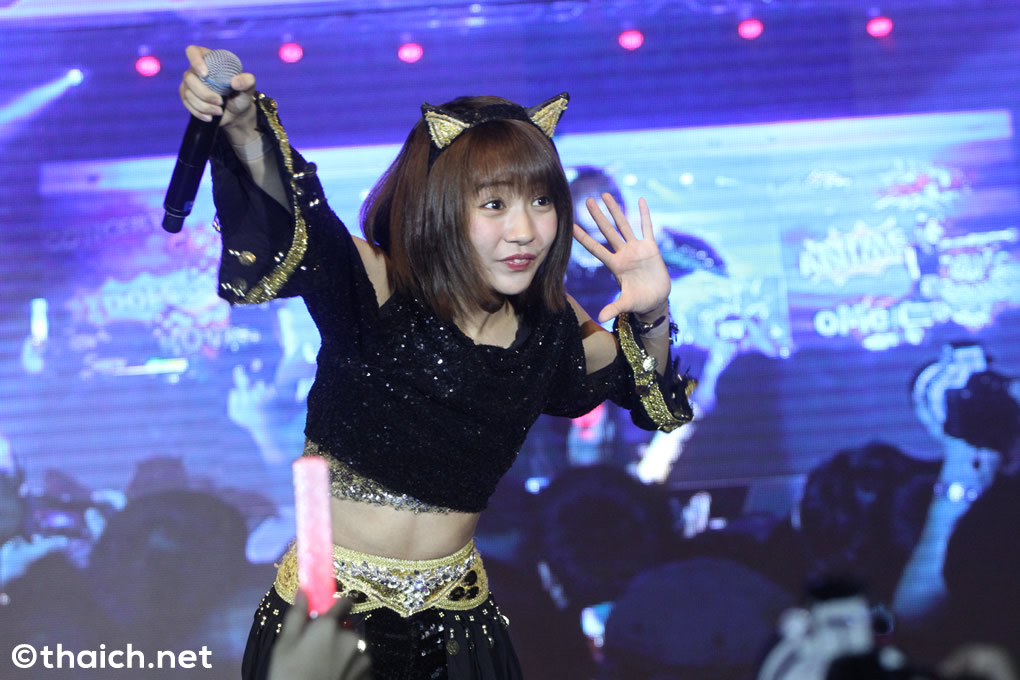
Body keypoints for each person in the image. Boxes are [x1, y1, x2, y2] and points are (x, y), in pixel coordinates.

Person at [177, 43, 693, 680]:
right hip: (328, 620)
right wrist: (244, 130)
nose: (525, 231)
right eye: (495, 204)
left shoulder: (551, 327)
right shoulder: (378, 285)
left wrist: (652, 308)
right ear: (441, 205)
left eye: (541, 201)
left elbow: (652, 396)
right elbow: (297, 225)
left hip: (459, 621)